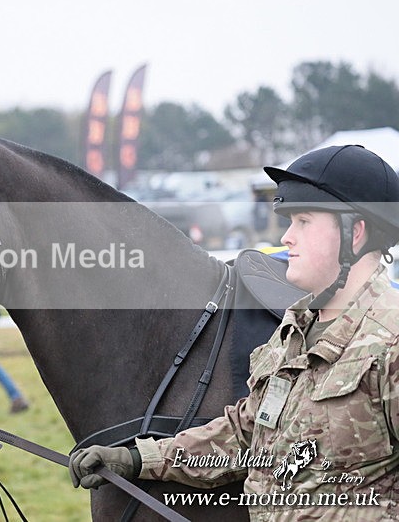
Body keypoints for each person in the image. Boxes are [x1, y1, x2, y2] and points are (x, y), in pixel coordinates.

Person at [69, 145, 399, 520]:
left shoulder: (390, 342)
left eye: (303, 222)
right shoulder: (296, 329)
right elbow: (244, 433)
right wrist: (136, 458)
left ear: (354, 233)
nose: (287, 237)